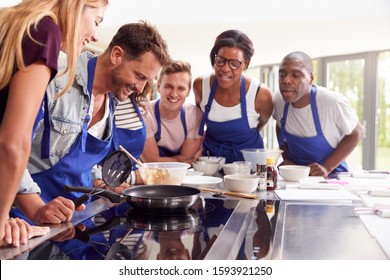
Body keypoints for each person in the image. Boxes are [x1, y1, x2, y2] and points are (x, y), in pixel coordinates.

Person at [11, 21, 170, 223]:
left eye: (147, 80)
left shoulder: (112, 100)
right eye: (139, 76)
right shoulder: (56, 76)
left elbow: (81, 164)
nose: (140, 88)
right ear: (116, 55)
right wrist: (36, 208)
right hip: (27, 219)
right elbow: (10, 150)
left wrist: (100, 180)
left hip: (77, 218)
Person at [0, 0, 108, 247]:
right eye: (97, 21)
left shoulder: (12, 22)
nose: (94, 36)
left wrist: (26, 212)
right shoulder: (44, 31)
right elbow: (13, 143)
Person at [273, 51, 363, 177]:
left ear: (310, 78)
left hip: (332, 178)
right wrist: (286, 157)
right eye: (282, 75)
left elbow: (357, 133)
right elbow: (279, 126)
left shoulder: (331, 102)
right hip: (296, 179)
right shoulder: (279, 100)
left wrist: (326, 168)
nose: (286, 80)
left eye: (295, 75)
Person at [193, 29, 273, 163]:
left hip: (249, 165)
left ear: (245, 64)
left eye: (234, 64)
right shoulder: (200, 86)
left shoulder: (260, 94)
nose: (225, 68)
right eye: (220, 60)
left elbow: (261, 123)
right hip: (211, 163)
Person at [141, 60, 203, 164]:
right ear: (159, 86)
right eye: (168, 86)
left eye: (181, 88)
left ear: (188, 91)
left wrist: (161, 160)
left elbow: (187, 161)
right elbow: (151, 161)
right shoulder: (144, 112)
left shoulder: (195, 115)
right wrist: (178, 160)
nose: (174, 94)